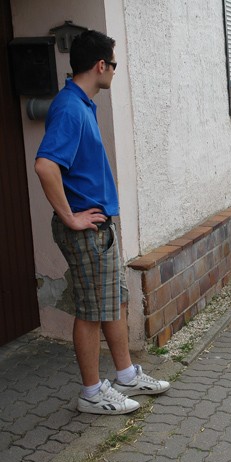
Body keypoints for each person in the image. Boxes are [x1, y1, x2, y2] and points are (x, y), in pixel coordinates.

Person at [34, 30, 170, 415]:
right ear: (100, 66)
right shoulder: (70, 108)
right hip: (87, 229)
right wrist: (70, 217)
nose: (114, 71)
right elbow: (45, 166)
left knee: (113, 302)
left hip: (99, 227)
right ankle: (92, 393)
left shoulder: (81, 104)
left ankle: (125, 375)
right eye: (114, 64)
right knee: (92, 310)